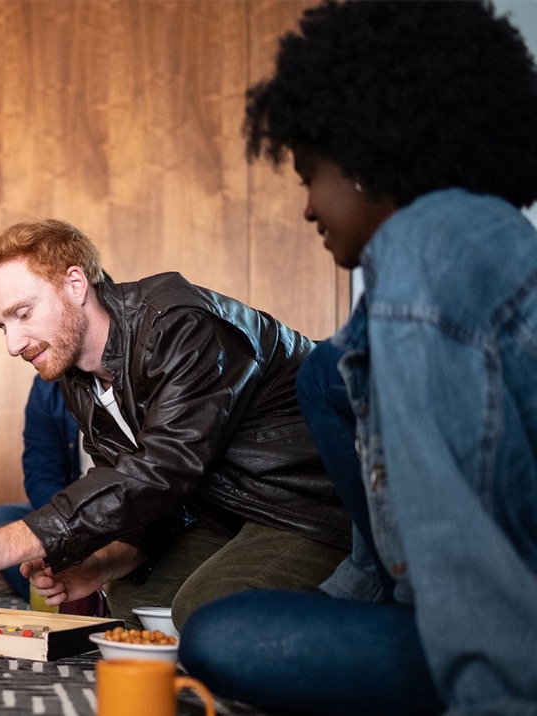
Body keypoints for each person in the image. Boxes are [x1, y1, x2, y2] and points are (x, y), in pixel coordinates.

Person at [179, 2, 537, 714]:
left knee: (222, 633)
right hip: (430, 611)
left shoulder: (421, 256)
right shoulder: (446, 257)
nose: (308, 206)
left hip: (510, 642)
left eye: (310, 173)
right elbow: (386, 555)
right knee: (323, 374)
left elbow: (464, 553)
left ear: (367, 160)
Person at [0, 219, 351, 630]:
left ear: (75, 283)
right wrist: (106, 561)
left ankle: (364, 609)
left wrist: (13, 541)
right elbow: (129, 486)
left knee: (206, 612)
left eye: (23, 313)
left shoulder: (177, 325)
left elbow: (164, 467)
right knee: (134, 599)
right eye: (3, 325)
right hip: (226, 514)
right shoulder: (76, 376)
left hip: (309, 511)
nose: (14, 343)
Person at [0, 374, 82, 599]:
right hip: (73, 518)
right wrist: (68, 533)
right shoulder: (48, 386)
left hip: (121, 517)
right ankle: (69, 586)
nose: (15, 347)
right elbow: (41, 475)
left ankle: (61, 589)